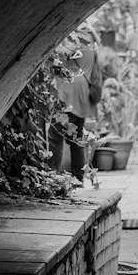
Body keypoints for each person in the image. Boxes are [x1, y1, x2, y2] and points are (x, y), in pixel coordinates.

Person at [54, 26, 103, 182]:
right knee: (76, 138)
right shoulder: (93, 49)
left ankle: (52, 174)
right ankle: (78, 177)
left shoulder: (74, 45)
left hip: (68, 92)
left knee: (56, 135)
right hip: (82, 95)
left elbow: (58, 54)